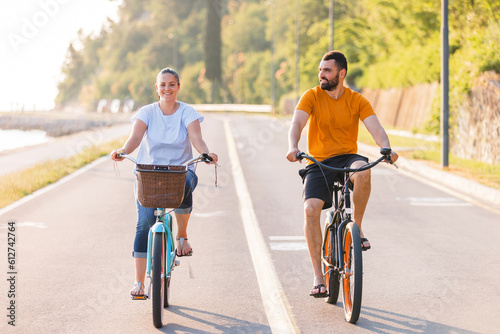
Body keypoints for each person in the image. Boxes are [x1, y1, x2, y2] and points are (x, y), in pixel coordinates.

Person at [286, 51, 398, 298]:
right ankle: (318, 277)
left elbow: (375, 127)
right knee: (310, 210)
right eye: (320, 70)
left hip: (348, 158)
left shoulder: (357, 100)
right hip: (318, 161)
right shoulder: (312, 96)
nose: (321, 75)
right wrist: (293, 146)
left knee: (364, 172)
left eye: (327, 71)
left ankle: (356, 229)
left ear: (341, 73)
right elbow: (296, 124)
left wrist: (386, 148)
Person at [111, 67, 218, 296]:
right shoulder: (147, 112)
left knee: (186, 183)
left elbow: (196, 138)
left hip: (179, 170)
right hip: (148, 172)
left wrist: (206, 153)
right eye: (162, 84)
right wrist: (123, 150)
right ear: (157, 88)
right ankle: (139, 283)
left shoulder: (187, 112)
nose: (167, 88)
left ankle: (181, 237)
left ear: (178, 87)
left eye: (171, 84)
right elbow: (135, 138)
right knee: (143, 225)